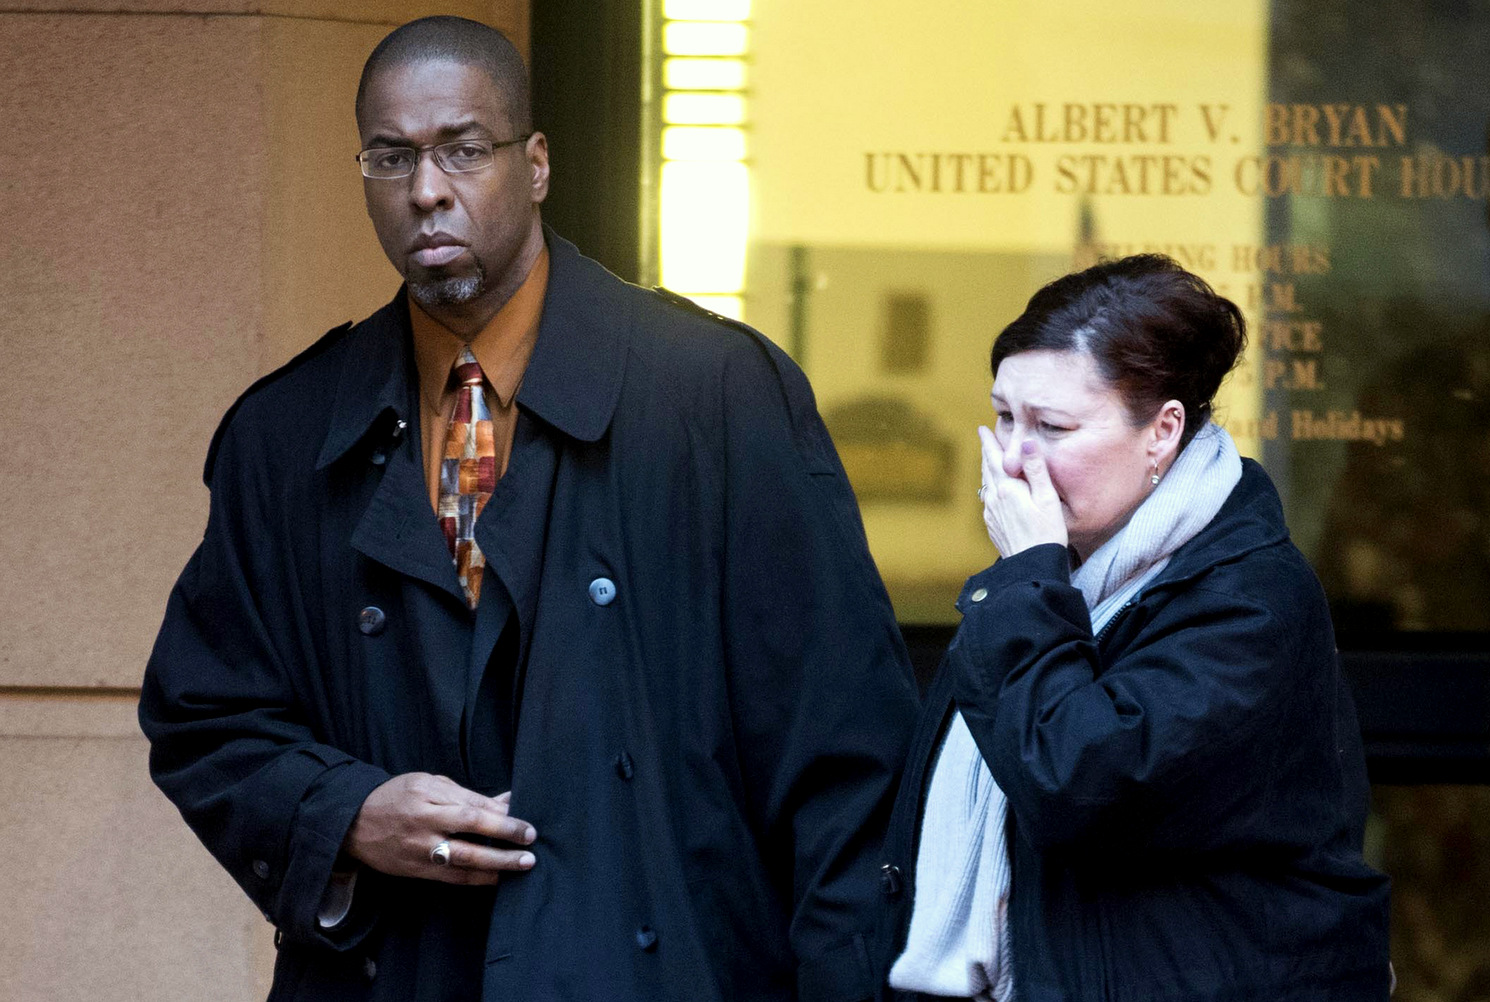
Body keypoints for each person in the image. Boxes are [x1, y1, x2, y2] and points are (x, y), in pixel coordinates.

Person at [139, 16, 917, 1002]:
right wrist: (346, 814)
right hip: (400, 970)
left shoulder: (714, 396)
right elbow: (206, 719)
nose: (426, 190)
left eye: (463, 150)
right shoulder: (285, 435)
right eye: (391, 158)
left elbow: (846, 763)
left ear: (537, 163)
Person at [880, 256, 1390, 1001]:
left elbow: (1077, 782)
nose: (1016, 460)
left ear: (1163, 431)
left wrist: (1027, 579)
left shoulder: (1251, 599)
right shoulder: (1051, 578)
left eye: (1052, 426)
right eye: (1003, 417)